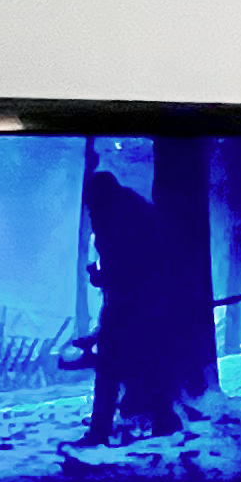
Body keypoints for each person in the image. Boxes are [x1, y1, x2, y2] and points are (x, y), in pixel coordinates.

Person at [79, 171, 190, 444]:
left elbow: (134, 266)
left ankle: (103, 430)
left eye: (91, 206)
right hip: (138, 303)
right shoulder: (127, 212)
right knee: (142, 363)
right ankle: (160, 421)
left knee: (114, 366)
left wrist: (103, 278)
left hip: (137, 304)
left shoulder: (121, 219)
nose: (90, 213)